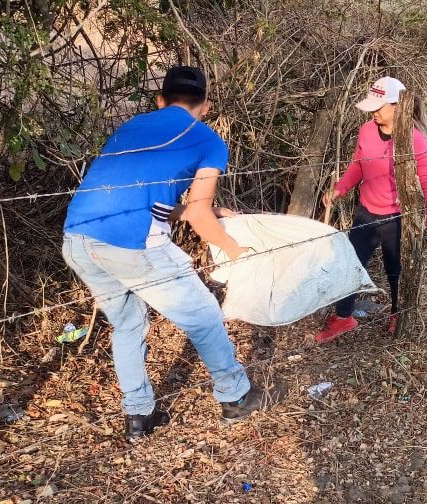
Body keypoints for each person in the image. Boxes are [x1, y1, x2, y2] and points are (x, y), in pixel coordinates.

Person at [62, 66, 271, 440]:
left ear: (161, 100)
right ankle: (236, 397)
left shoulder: (132, 126)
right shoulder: (208, 140)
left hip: (77, 238)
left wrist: (209, 210)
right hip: (132, 245)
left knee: (128, 324)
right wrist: (235, 249)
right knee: (204, 313)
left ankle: (139, 416)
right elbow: (197, 215)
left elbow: (147, 199)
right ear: (205, 106)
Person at [318, 77, 427, 343]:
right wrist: (340, 188)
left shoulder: (415, 140)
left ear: (397, 106)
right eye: (372, 107)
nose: (374, 112)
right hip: (366, 212)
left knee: (395, 271)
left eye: (380, 106)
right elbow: (358, 164)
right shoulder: (367, 130)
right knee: (350, 264)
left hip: (396, 217)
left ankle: (397, 314)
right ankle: (344, 317)